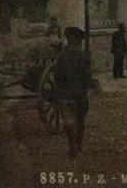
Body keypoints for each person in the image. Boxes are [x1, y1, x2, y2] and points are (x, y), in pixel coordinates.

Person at [53, 27, 91, 157]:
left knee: (69, 121)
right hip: (80, 94)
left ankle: (72, 146)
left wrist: (60, 89)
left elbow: (57, 76)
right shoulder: (83, 56)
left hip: (65, 94)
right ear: (79, 41)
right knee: (80, 120)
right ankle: (79, 144)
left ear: (68, 40)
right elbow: (87, 76)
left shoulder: (61, 56)